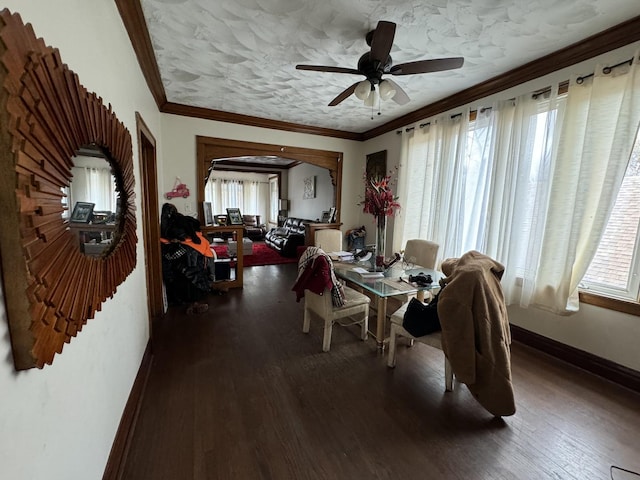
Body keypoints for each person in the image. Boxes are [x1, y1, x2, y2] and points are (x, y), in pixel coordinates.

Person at [160, 203, 215, 314]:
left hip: (177, 275)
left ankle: (186, 301)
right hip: (188, 274)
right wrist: (211, 278)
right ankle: (193, 302)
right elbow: (209, 261)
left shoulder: (167, 238)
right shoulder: (194, 241)